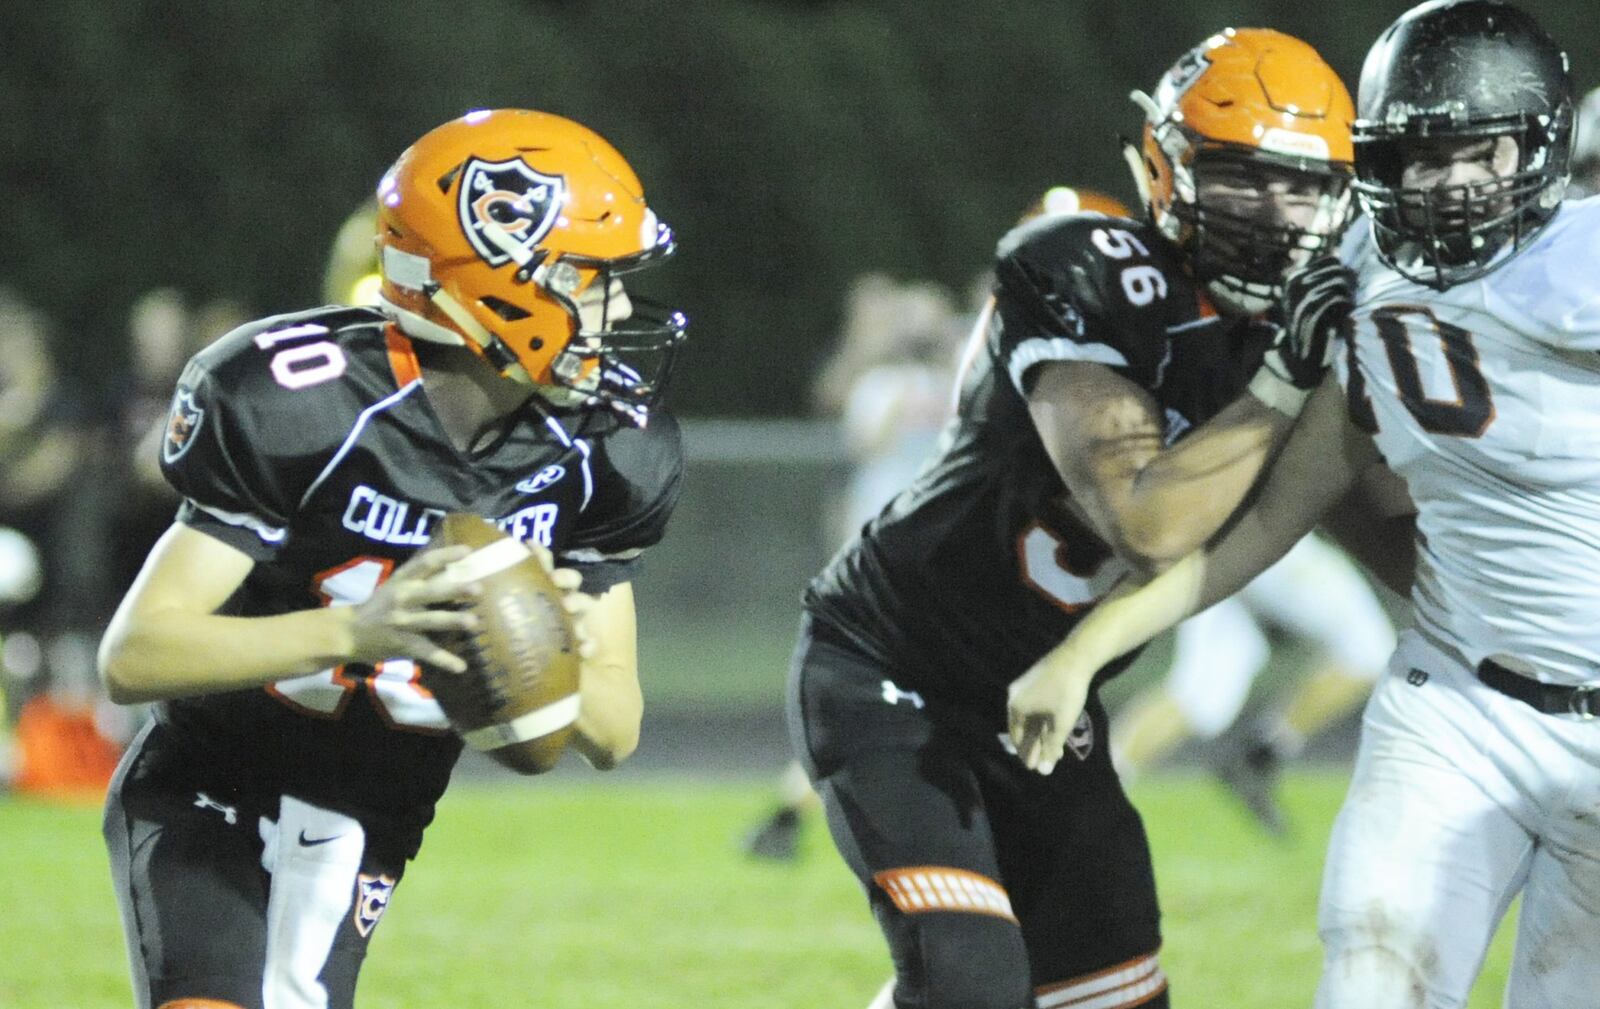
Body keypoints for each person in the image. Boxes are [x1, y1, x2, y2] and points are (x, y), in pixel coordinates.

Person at [1008, 3, 1600, 1005]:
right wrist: (1081, 649)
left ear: (1536, 153)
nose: (1446, 185)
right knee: (1369, 975)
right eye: (1417, 156)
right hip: (1454, 705)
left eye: (1479, 154)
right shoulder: (1362, 281)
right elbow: (1272, 517)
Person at [788, 29, 1359, 1009]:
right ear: (1163, 168)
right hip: (894, 669)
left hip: (1041, 697)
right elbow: (1145, 521)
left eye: (1303, 184)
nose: (1274, 212)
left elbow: (1274, 534)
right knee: (968, 977)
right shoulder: (1089, 270)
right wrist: (1280, 380)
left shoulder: (1310, 330)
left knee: (1115, 995)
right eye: (1241, 179)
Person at [97, 108, 687, 1009]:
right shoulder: (304, 402)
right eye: (590, 278)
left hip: (368, 819)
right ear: (493, 286)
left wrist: (553, 656)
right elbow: (135, 656)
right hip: (210, 785)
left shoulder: (608, 449)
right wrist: (356, 629)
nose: (616, 307)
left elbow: (616, 730)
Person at [1112, 530, 1396, 836]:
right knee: (1368, 649)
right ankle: (1260, 755)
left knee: (1202, 693)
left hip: (1214, 542)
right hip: (1260, 533)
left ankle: (1093, 784)